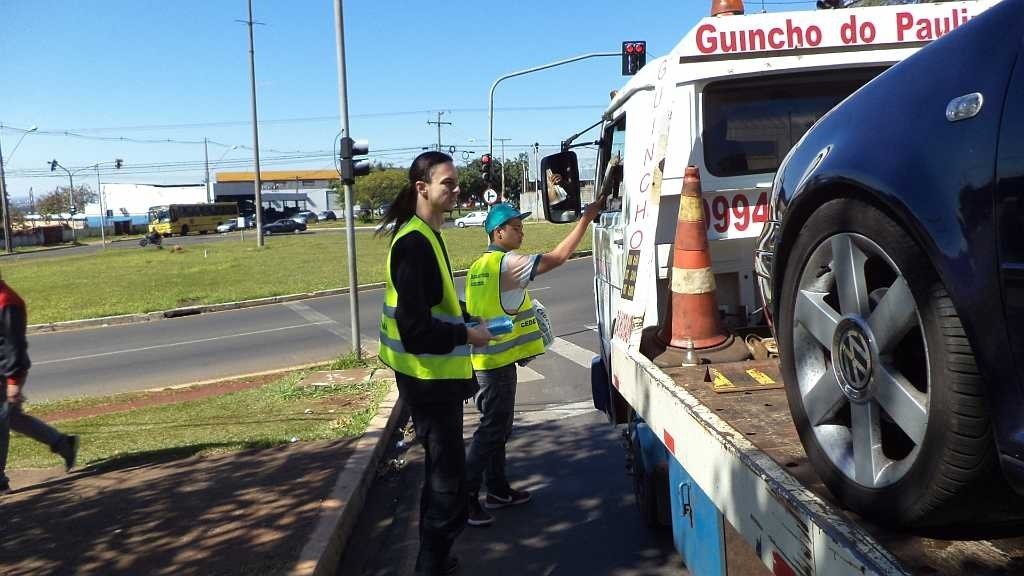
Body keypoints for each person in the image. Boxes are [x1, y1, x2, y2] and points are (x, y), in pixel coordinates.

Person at [377, 151, 493, 576]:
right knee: (448, 486)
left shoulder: (426, 234)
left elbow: (430, 303)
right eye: (448, 183)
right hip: (427, 382)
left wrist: (462, 314)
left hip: (432, 379)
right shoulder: (413, 242)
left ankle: (437, 560)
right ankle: (430, 566)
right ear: (422, 188)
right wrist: (467, 334)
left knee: (442, 476)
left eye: (457, 182)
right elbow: (415, 329)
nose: (457, 189)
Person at [463, 198, 604, 527]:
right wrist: (585, 219)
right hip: (496, 366)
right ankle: (466, 498)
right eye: (516, 228)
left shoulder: (478, 267)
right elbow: (558, 258)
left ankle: (496, 490)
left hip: (487, 360)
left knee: (495, 430)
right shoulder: (507, 263)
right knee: (491, 432)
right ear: (498, 233)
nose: (521, 233)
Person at [0, 274, 79, 495]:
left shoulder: (7, 301)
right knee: (12, 418)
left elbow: (14, 345)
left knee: (1, 421)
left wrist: (13, 382)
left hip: (6, 372)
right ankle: (63, 443)